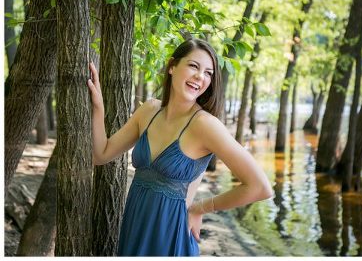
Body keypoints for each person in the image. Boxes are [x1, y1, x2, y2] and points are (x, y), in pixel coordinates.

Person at [88, 38, 273, 256]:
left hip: (170, 234)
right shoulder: (149, 110)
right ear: (172, 67)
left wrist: (200, 208)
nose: (200, 77)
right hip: (134, 226)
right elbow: (100, 154)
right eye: (194, 66)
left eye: (208, 73)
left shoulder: (205, 125)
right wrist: (98, 107)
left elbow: (260, 187)